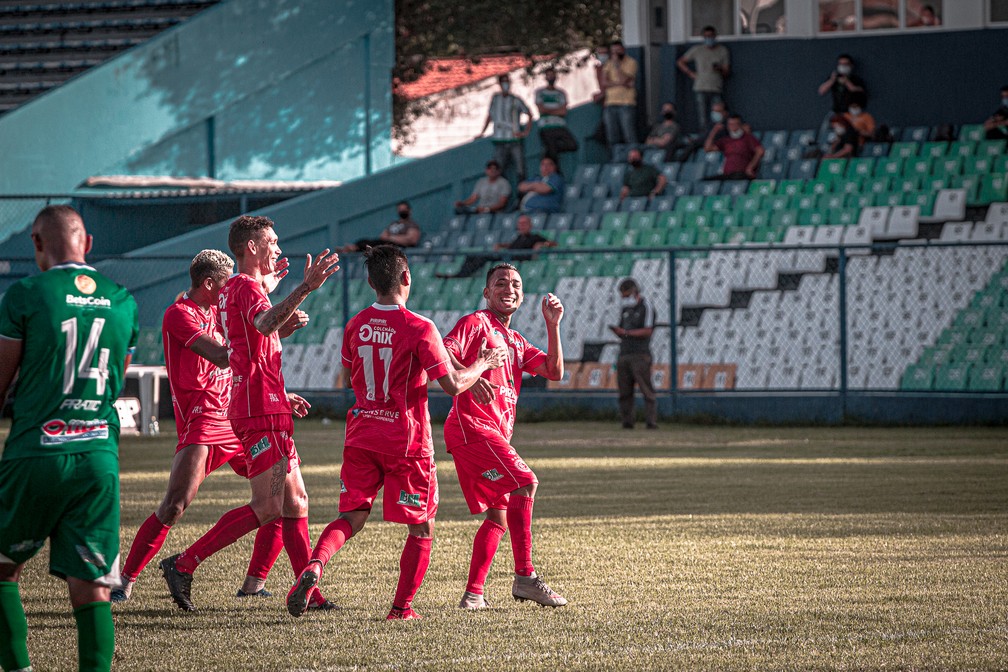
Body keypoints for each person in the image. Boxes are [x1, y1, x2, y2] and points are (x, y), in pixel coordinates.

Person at [286, 245, 507, 620]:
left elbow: (349, 371)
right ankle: (401, 609)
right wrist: (483, 363)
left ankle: (315, 566)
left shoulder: (355, 325)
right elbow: (452, 385)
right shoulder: (419, 327)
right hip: (406, 440)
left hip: (360, 434)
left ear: (371, 282)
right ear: (406, 278)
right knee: (421, 528)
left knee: (352, 516)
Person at [160, 215, 340, 612]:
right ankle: (184, 563)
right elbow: (263, 321)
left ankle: (309, 594)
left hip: (264, 402)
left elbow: (251, 338)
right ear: (252, 247)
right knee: (269, 506)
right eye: (272, 241)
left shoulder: (234, 289)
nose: (278, 247)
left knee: (297, 503)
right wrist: (305, 288)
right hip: (259, 408)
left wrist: (274, 294)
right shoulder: (242, 286)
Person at [0, 205, 138, 672]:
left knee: (2, 569)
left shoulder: (26, 294)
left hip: (37, 452)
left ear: (37, 244)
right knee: (93, 586)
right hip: (98, 455)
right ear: (89, 244)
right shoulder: (123, 299)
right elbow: (114, 381)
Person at [112, 250, 293, 604]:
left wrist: (267, 307)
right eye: (226, 286)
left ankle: (254, 583)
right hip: (204, 420)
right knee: (175, 505)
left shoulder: (219, 309)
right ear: (209, 284)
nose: (231, 293)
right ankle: (125, 580)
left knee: (282, 496)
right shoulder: (179, 314)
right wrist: (268, 322)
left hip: (239, 415)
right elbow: (225, 355)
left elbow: (250, 342)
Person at [445, 263, 567, 610]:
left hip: (492, 432)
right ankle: (526, 578)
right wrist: (475, 374)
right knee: (526, 483)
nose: (508, 288)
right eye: (500, 283)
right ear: (487, 293)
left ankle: (473, 595)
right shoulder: (475, 323)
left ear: (523, 295)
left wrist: (552, 325)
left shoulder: (514, 339)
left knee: (498, 516)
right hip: (472, 426)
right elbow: (443, 354)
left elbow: (554, 371)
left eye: (515, 284)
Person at [435, 214, 557, 279]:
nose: (522, 226)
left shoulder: (535, 237)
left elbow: (553, 243)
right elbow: (512, 245)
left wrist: (542, 244)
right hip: (506, 254)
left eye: (524, 224)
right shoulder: (519, 237)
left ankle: (462, 275)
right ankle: (462, 273)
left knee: (483, 258)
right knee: (472, 255)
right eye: (520, 224)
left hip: (514, 259)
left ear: (530, 225)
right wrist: (502, 245)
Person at [609, 278, 657, 430]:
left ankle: (651, 421)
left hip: (640, 353)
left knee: (646, 389)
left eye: (625, 294)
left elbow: (648, 330)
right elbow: (623, 331)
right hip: (624, 352)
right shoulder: (625, 310)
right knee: (624, 391)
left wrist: (626, 333)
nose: (624, 298)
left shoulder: (646, 306)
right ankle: (627, 422)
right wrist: (620, 333)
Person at [476, 73, 532, 182]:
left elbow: (529, 113)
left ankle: (522, 194)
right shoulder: (495, 99)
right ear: (500, 84)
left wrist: (525, 131)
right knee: (498, 169)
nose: (506, 84)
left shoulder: (516, 100)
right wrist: (482, 132)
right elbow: (490, 115)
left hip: (514, 139)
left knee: (520, 168)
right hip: (499, 140)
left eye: (507, 82)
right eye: (503, 82)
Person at [676, 26, 731, 134]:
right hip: (700, 86)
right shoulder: (697, 50)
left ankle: (717, 134)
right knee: (702, 116)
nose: (708, 39)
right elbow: (680, 62)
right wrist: (690, 73)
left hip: (716, 87)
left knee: (718, 115)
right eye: (706, 36)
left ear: (715, 36)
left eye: (710, 36)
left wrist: (719, 68)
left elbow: (727, 71)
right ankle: (704, 136)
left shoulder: (722, 50)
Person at [534, 67, 579, 165]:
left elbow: (563, 111)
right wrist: (556, 110)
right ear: (545, 77)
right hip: (546, 127)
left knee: (572, 145)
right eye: (549, 75)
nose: (551, 77)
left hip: (560, 125)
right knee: (553, 154)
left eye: (552, 75)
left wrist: (548, 111)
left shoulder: (561, 93)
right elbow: (541, 110)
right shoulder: (540, 92)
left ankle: (548, 152)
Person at [600, 40, 639, 149]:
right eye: (613, 52)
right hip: (610, 102)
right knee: (612, 135)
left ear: (623, 50)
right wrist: (620, 84)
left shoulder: (631, 62)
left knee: (629, 133)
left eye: (618, 51)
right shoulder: (608, 63)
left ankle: (634, 156)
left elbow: (624, 78)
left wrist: (617, 65)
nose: (615, 54)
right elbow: (604, 83)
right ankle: (616, 161)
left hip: (626, 103)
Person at [703, 113, 764, 179]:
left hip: (741, 173)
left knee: (737, 177)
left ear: (740, 125)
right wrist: (714, 131)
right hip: (727, 174)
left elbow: (760, 151)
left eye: (735, 124)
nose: (732, 127)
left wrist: (750, 167)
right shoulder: (726, 140)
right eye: (730, 124)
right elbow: (708, 148)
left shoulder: (748, 138)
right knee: (705, 181)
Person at [343, 201, 421, 252]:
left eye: (404, 209)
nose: (401, 211)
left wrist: (392, 238)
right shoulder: (393, 223)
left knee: (372, 246)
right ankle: (352, 248)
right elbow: (383, 236)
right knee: (366, 241)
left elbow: (411, 240)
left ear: (409, 210)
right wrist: (392, 238)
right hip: (386, 243)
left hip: (397, 247)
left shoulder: (412, 224)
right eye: (400, 209)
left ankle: (353, 248)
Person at [818, 54, 866, 118]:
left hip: (851, 113)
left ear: (851, 65)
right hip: (836, 111)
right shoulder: (834, 78)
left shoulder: (856, 79)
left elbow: (859, 91)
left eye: (846, 64)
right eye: (841, 64)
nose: (843, 66)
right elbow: (821, 91)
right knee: (827, 126)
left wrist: (847, 82)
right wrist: (832, 80)